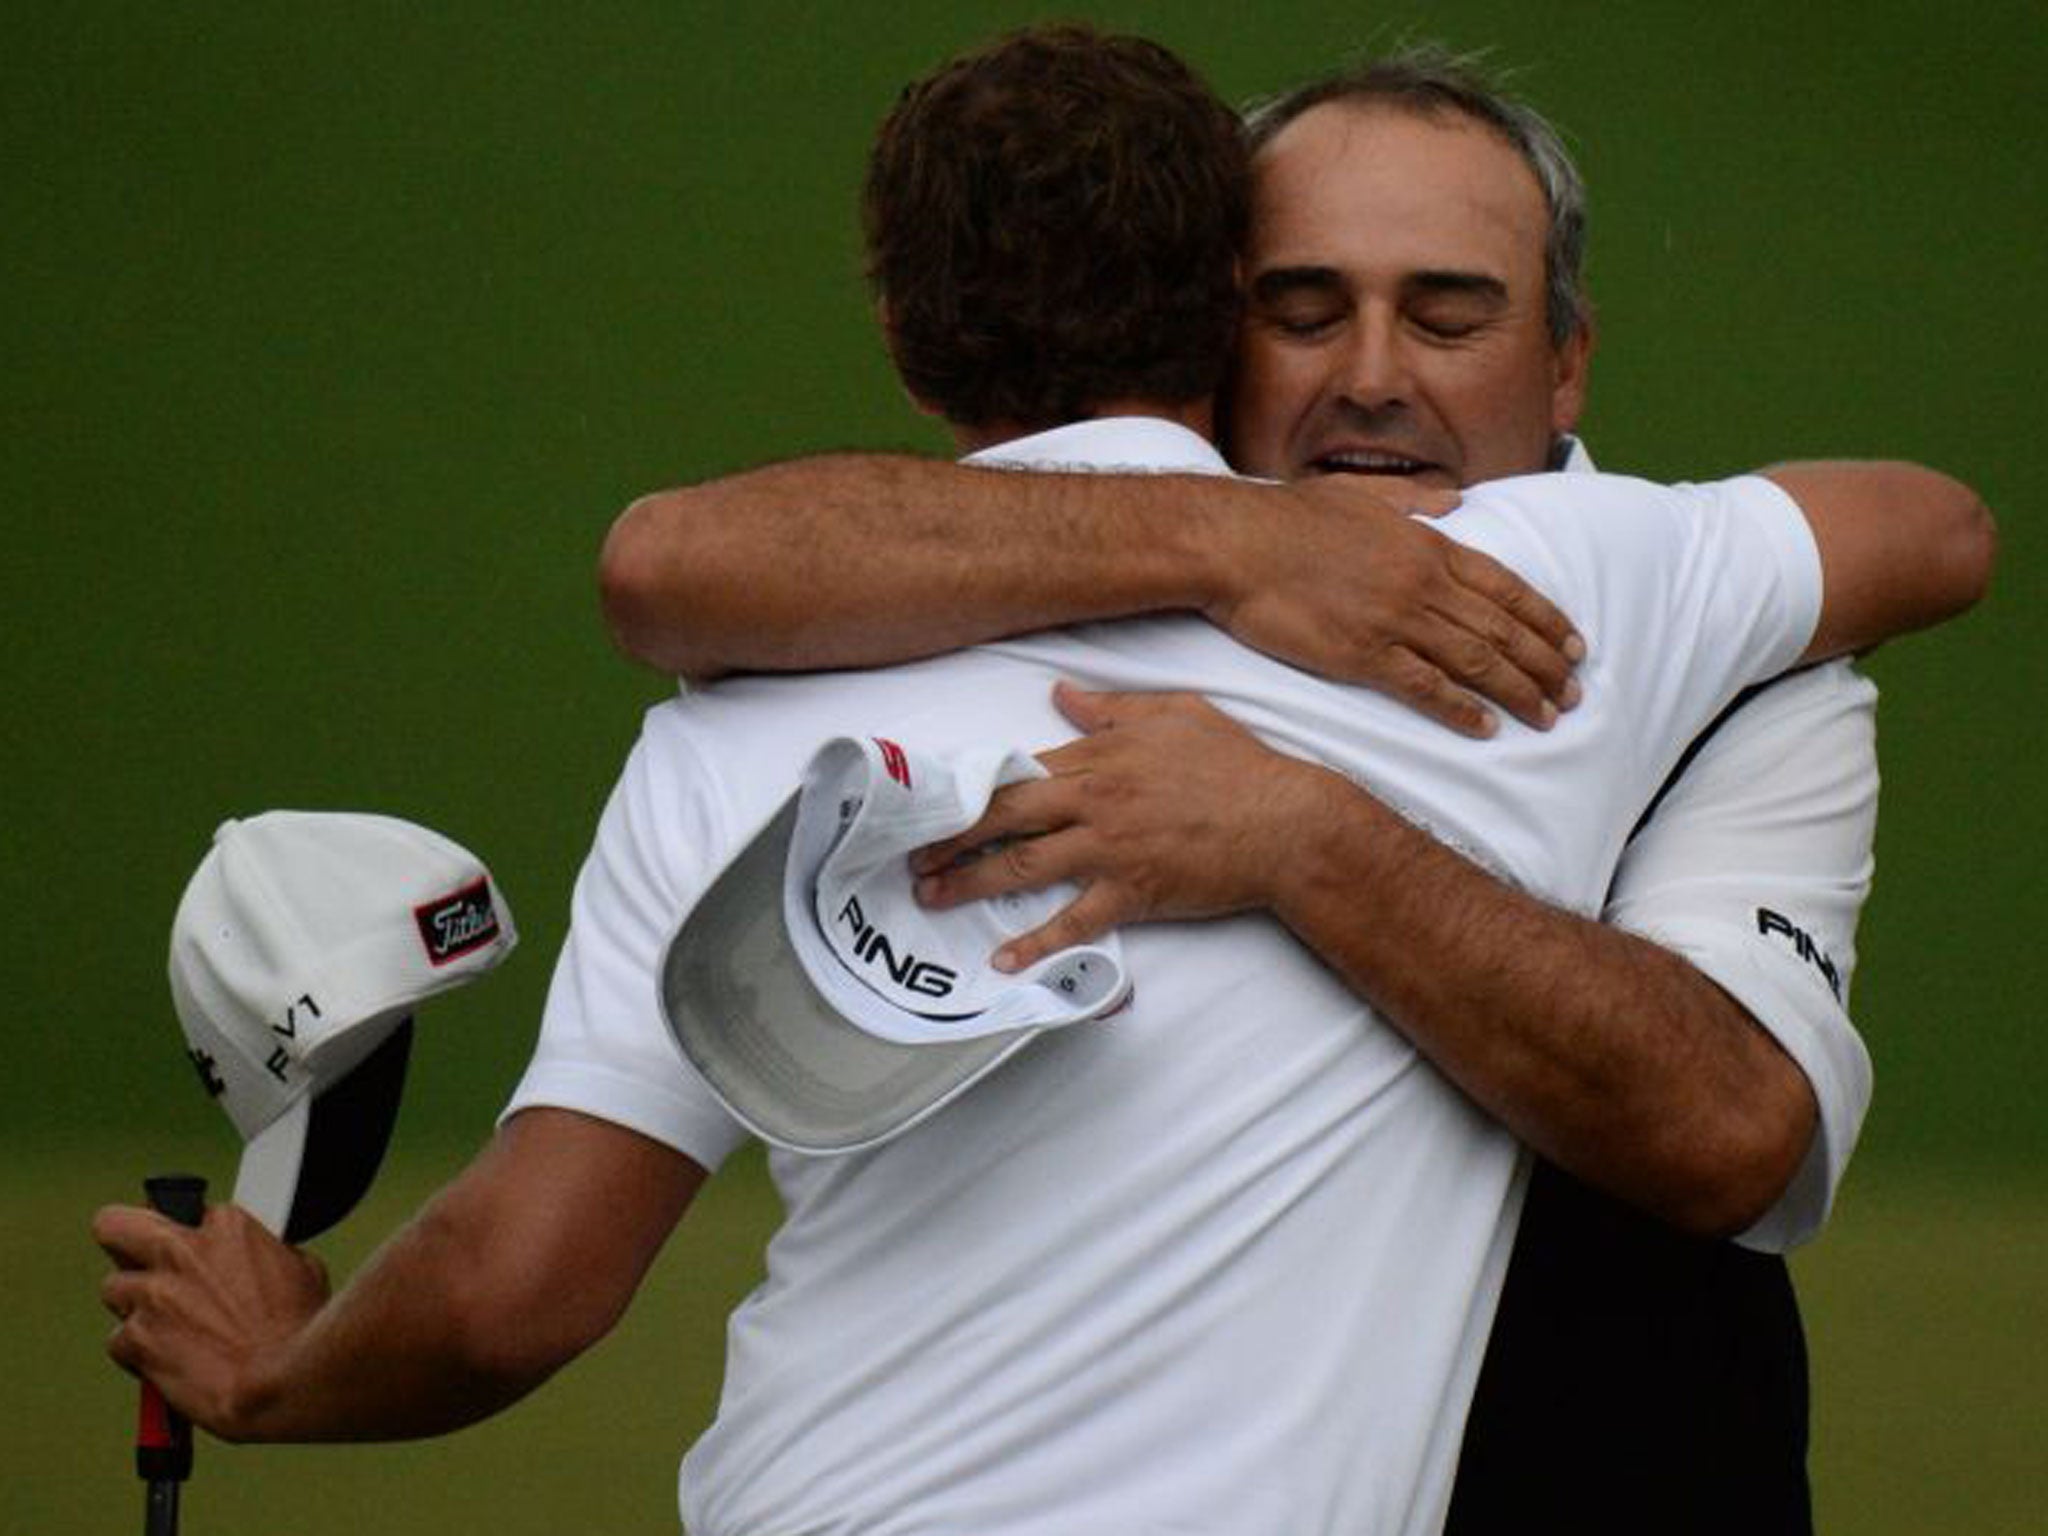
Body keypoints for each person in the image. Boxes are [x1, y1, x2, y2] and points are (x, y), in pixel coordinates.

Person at [95, 27, 1991, 1536]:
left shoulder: (733, 711)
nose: (1374, 379)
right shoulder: (1554, 595)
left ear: (904, 344)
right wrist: (1240, 550)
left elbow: (520, 1291)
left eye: (1451, 314)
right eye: (1308, 308)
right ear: (1218, 316)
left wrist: (284, 1380)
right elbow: (1940, 526)